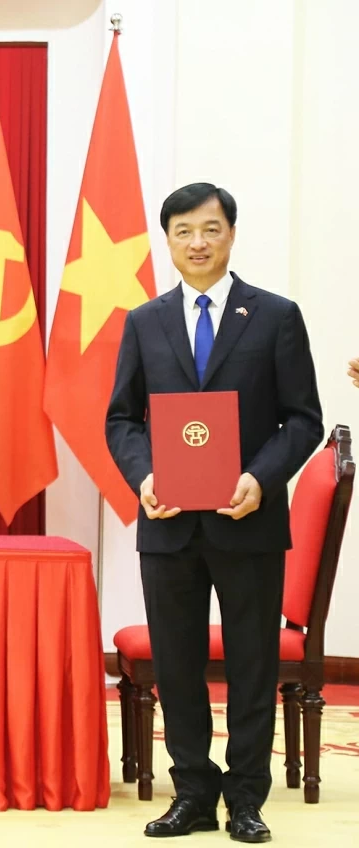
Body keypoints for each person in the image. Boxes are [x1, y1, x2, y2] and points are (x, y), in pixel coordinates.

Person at [106, 183, 323, 843]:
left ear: (231, 234)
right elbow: (122, 419)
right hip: (168, 522)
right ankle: (192, 795)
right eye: (183, 232)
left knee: (253, 663)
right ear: (166, 240)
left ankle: (246, 799)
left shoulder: (276, 316)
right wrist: (142, 476)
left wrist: (261, 477)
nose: (197, 243)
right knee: (176, 664)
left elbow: (302, 419)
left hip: (248, 520)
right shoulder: (145, 321)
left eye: (210, 229)